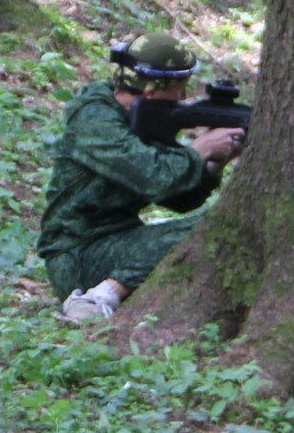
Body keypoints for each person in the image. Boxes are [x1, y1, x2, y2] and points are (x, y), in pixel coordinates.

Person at [37, 31, 245, 325]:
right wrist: (198, 151)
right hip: (78, 254)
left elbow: (177, 199)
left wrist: (214, 163)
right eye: (179, 90)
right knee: (215, 224)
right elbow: (154, 176)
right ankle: (99, 298)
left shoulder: (144, 121)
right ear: (150, 91)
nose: (182, 99)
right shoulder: (95, 120)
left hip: (119, 241)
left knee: (215, 222)